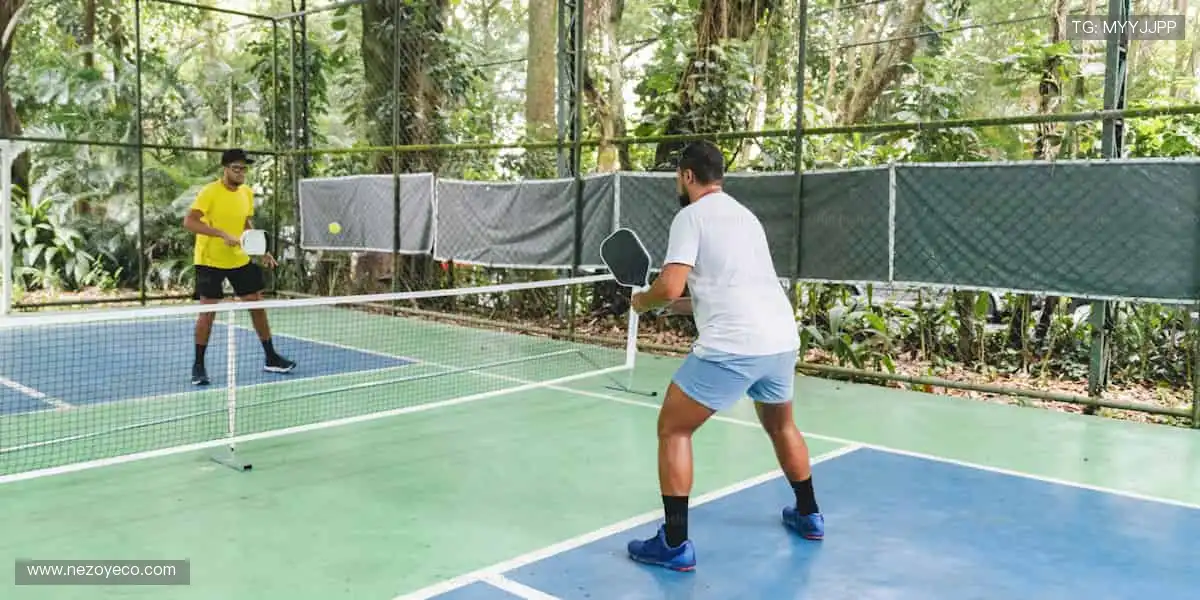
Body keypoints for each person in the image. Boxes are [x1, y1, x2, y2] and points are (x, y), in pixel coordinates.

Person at [625, 141, 822, 571]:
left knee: (673, 429)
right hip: (780, 339)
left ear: (688, 176)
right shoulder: (745, 217)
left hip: (735, 345)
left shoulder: (690, 216)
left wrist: (643, 302)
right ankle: (809, 515)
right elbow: (713, 291)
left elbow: (670, 288)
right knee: (781, 424)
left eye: (679, 175)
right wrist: (665, 303)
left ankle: (674, 544)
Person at [184, 149, 295, 386]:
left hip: (239, 258)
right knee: (208, 312)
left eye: (244, 168)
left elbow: (245, 222)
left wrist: (260, 249)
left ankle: (271, 357)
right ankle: (198, 366)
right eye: (236, 168)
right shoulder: (209, 192)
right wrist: (220, 233)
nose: (241, 172)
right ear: (225, 169)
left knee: (257, 304)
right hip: (210, 260)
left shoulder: (246, 192)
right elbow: (190, 221)